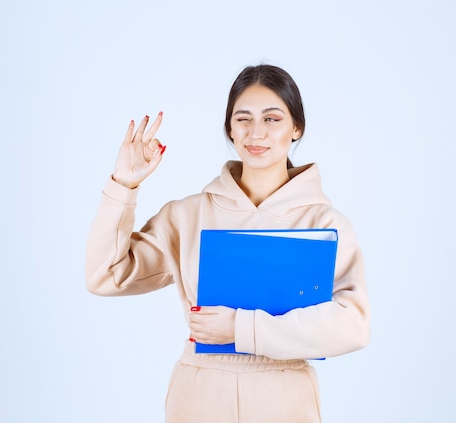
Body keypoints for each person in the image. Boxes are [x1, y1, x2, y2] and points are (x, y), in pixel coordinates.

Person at [85, 64, 371, 423]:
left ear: (296, 127)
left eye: (272, 119)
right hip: (199, 397)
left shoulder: (324, 224)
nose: (256, 132)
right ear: (230, 129)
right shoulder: (187, 215)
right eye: (243, 118)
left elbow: (353, 326)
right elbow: (106, 275)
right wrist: (122, 187)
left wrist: (241, 329)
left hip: (285, 399)